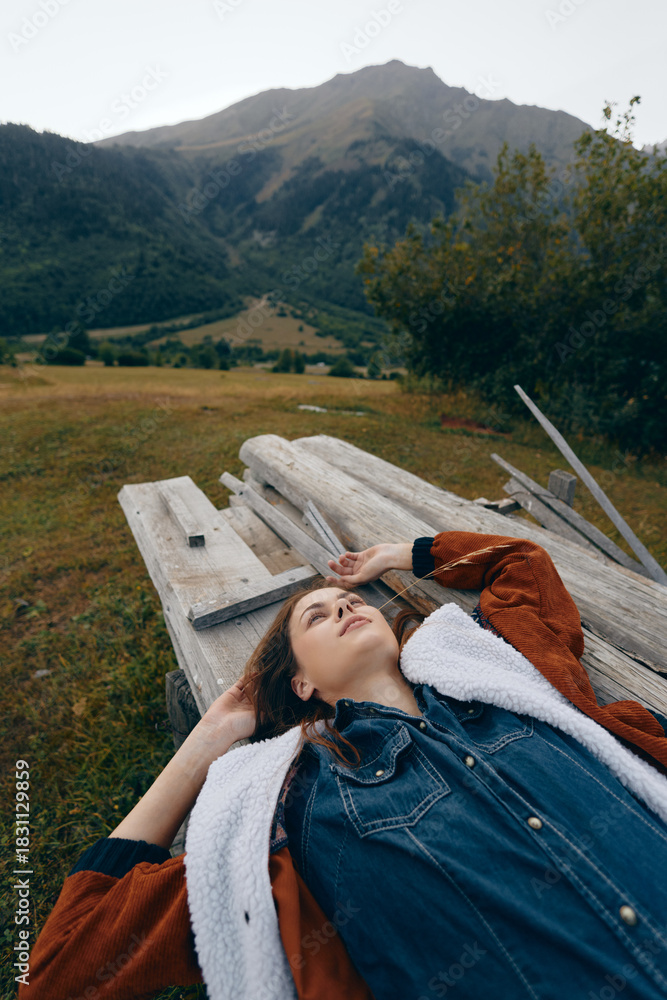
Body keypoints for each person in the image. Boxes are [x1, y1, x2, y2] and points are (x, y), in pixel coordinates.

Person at [19, 531, 667, 1000]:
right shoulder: (295, 813)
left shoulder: (504, 674)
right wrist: (211, 735)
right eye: (316, 615)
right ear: (299, 683)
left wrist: (396, 554)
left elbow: (519, 563)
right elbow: (62, 967)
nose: (345, 606)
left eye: (350, 601)